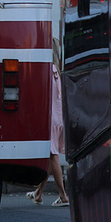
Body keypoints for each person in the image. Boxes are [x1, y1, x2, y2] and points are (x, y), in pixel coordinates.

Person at [27, 40, 69, 206]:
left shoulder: (45, 70)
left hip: (50, 118)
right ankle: (38, 193)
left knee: (52, 156)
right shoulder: (57, 71)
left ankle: (63, 195)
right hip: (59, 118)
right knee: (50, 155)